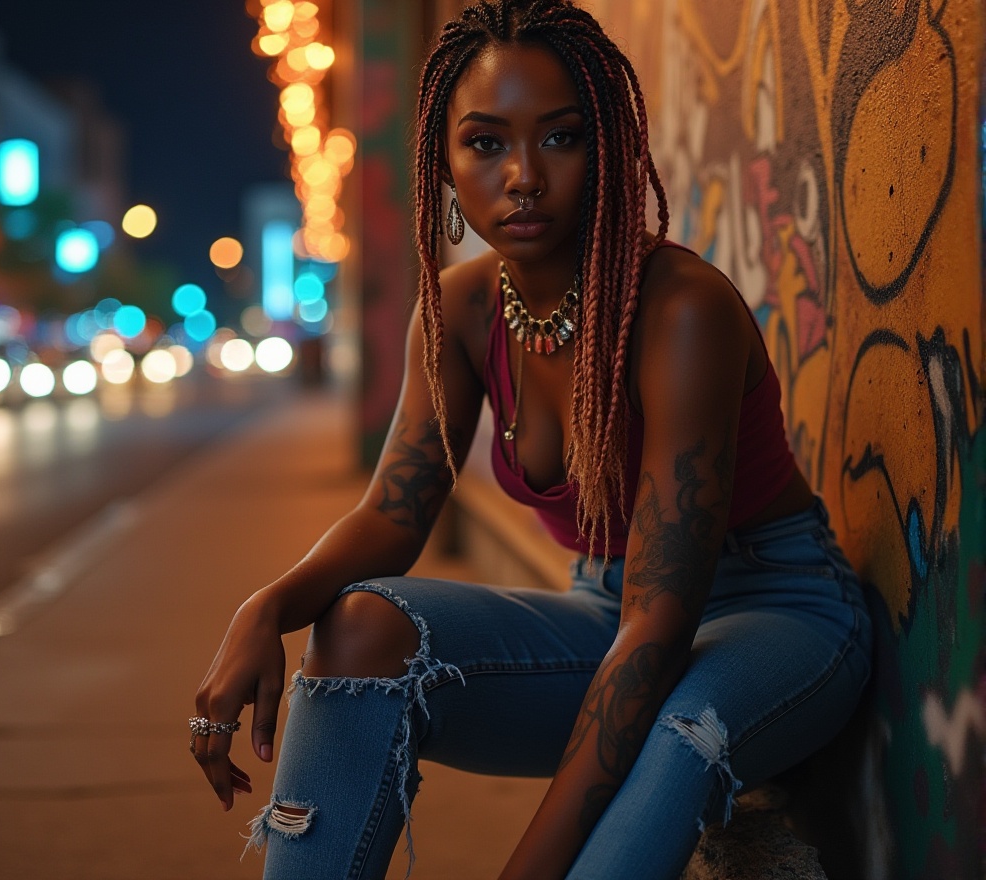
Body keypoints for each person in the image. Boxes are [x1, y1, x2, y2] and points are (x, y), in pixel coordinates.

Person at [191, 1, 873, 877]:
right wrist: (266, 610)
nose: (522, 176)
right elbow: (395, 516)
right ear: (443, 159)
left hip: (774, 611)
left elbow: (660, 627)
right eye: (485, 143)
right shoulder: (461, 312)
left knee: (677, 732)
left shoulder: (680, 311)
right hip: (601, 609)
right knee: (357, 625)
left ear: (611, 149)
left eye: (559, 138)